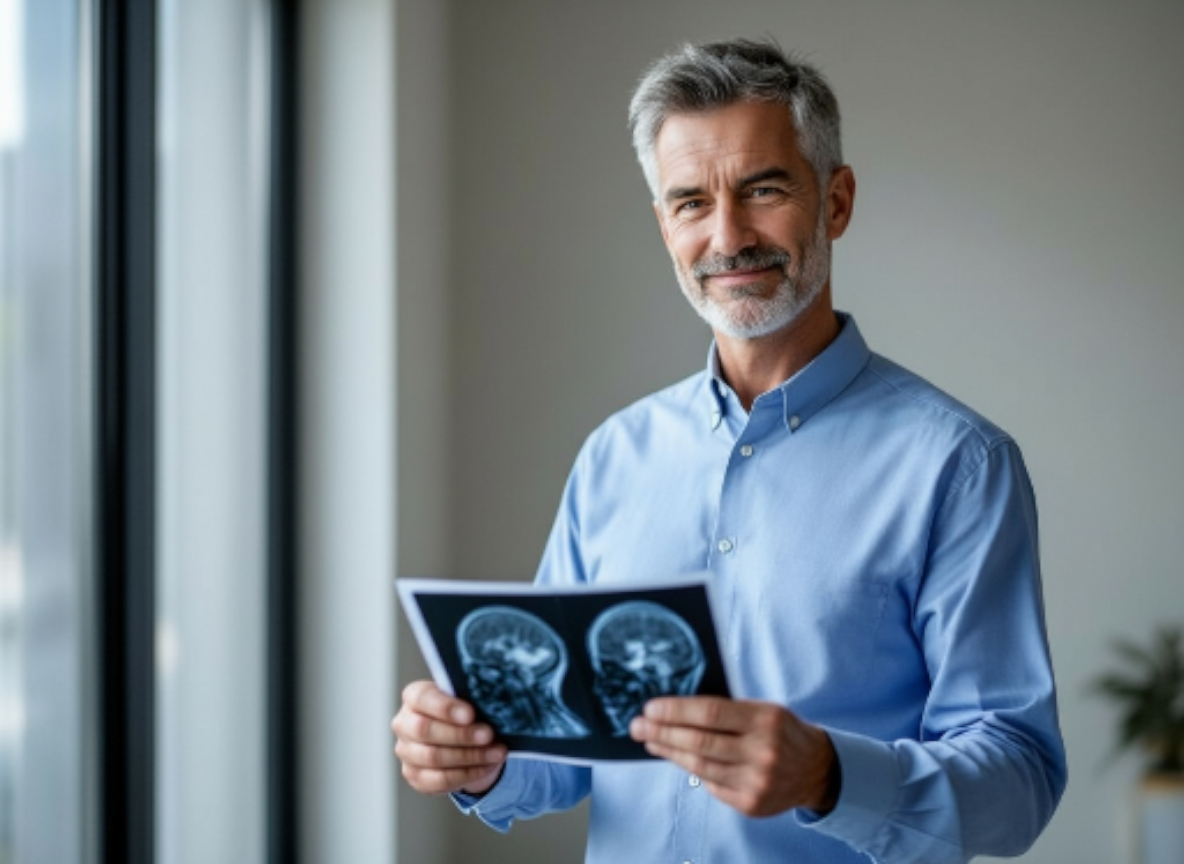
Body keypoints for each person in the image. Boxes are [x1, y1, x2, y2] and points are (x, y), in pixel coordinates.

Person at [392, 38, 1067, 863]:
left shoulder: (958, 467)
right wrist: (479, 760)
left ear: (837, 202)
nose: (728, 236)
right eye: (690, 203)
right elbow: (561, 753)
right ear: (663, 226)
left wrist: (829, 776)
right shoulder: (614, 456)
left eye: (764, 189)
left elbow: (1019, 782)